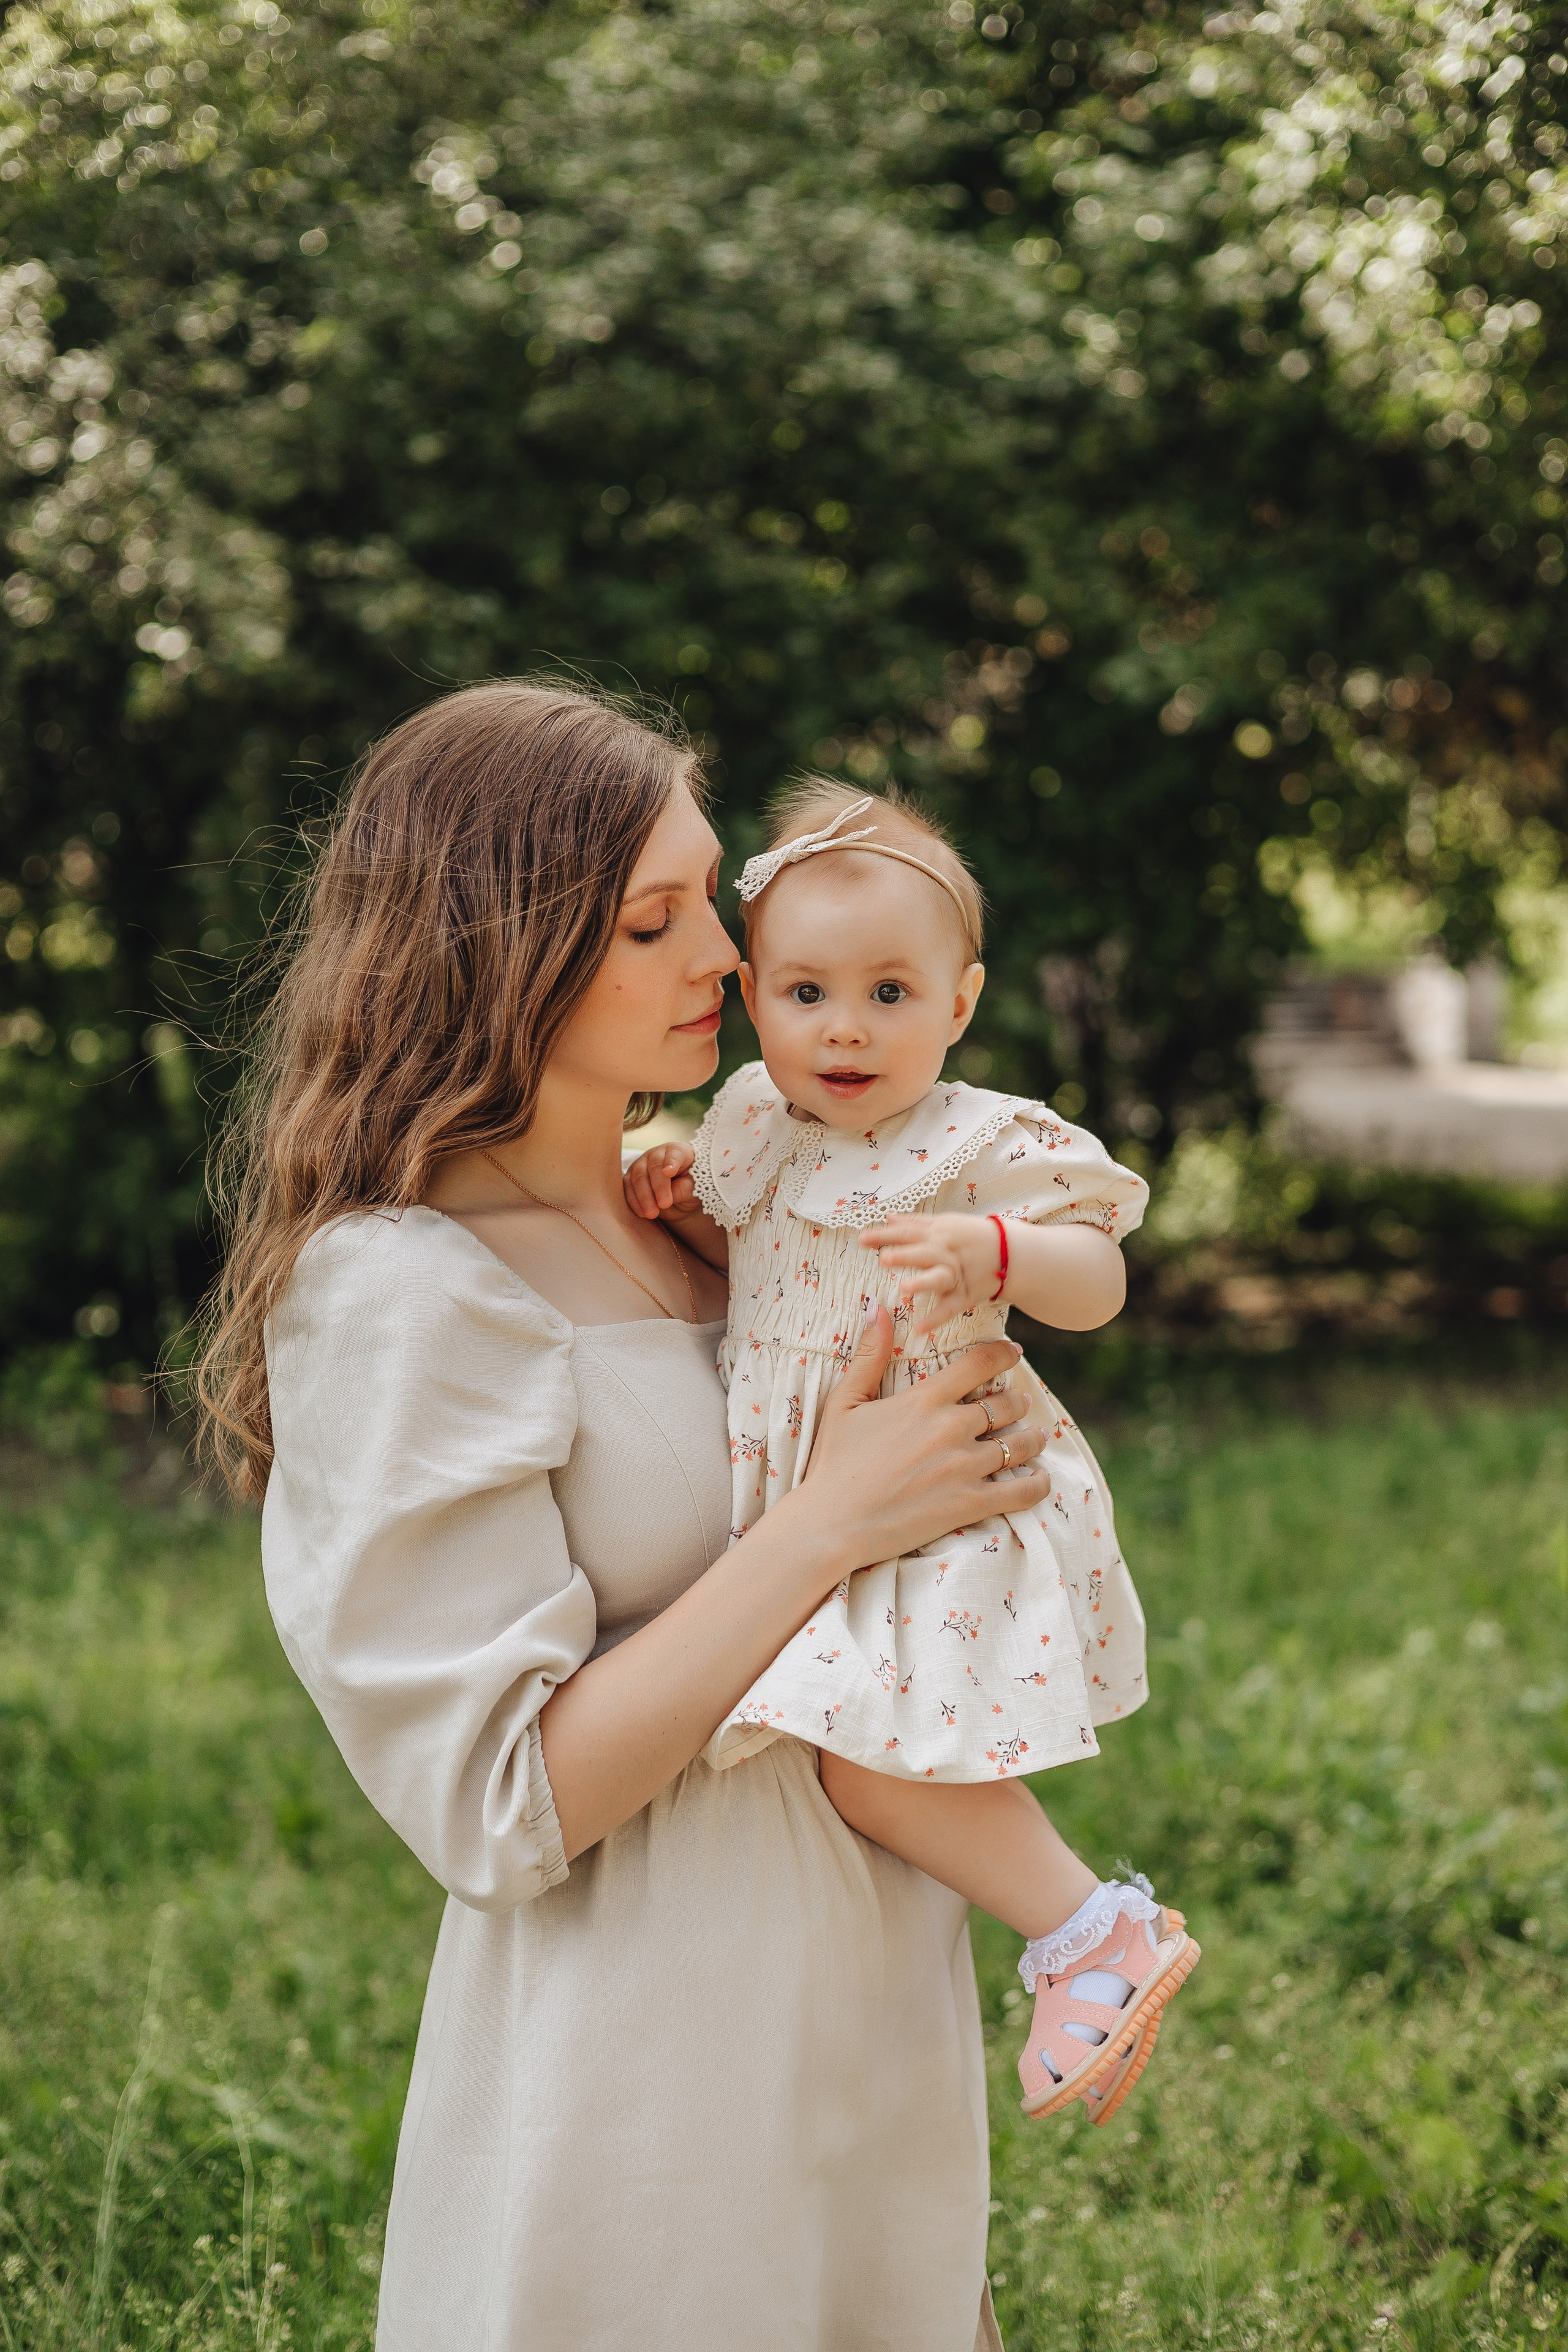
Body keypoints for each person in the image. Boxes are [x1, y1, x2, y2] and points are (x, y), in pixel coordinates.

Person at [195, 681, 1052, 2352]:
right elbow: (495, 1804)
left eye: (710, 903)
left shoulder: (734, 1215)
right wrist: (822, 1525)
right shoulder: (405, 1287)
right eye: (653, 923)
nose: (725, 958)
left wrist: (974, 1436)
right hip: (650, 2075)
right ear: (497, 947)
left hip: (871, 2008)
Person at [624, 782, 1198, 2124]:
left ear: (960, 1002)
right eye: (806, 992)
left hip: (938, 1487)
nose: (845, 1027)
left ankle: (1090, 1929)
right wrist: (683, 1214)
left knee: (865, 1761)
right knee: (847, 1753)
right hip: (820, 1484)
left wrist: (999, 1251)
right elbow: (767, 1268)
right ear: (752, 997)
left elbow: (1099, 1281)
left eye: (890, 993)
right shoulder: (755, 1128)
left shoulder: (974, 1141)